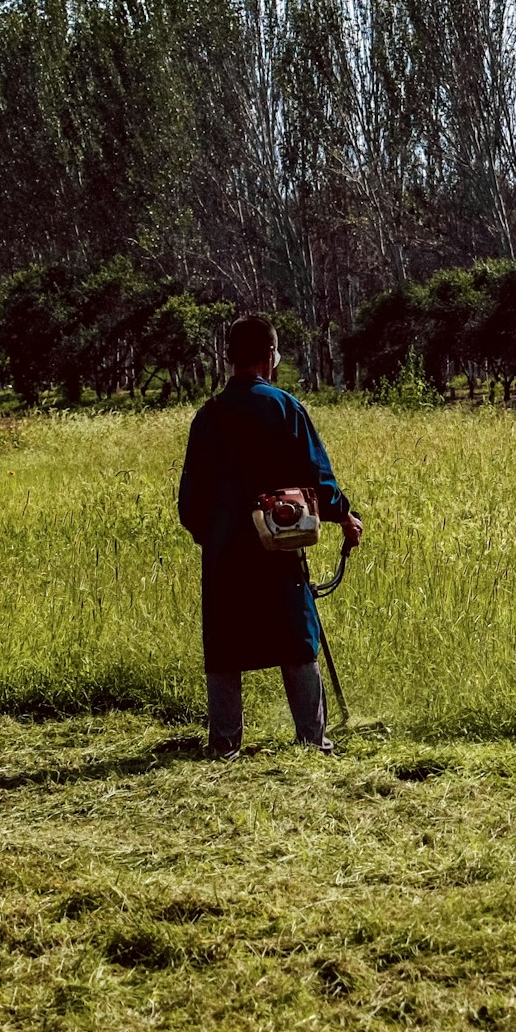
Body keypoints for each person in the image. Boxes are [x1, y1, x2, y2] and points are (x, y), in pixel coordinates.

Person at [177, 313, 363, 758]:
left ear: (230, 358)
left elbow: (189, 502)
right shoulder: (285, 407)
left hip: (223, 552)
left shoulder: (209, 416)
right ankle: (312, 739)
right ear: (271, 356)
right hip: (280, 545)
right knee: (296, 634)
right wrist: (344, 517)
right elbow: (318, 479)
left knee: (224, 640)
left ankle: (224, 743)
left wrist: (215, 535)